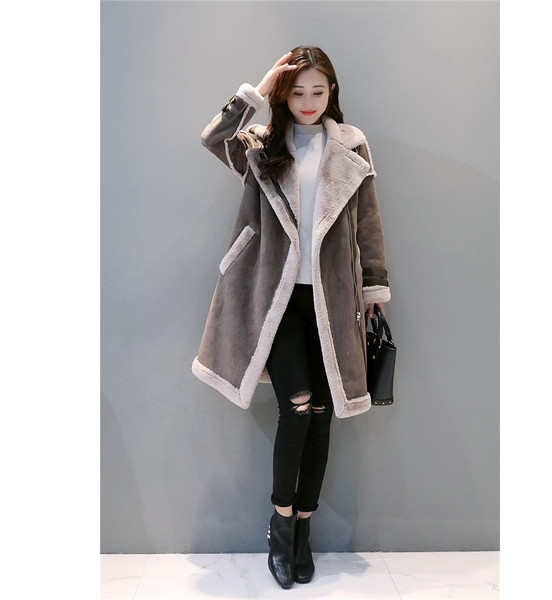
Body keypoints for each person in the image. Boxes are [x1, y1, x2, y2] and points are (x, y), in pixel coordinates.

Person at [191, 46, 391, 589]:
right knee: (297, 408)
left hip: (330, 300)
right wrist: (256, 92)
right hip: (274, 300)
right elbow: (213, 138)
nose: (308, 101)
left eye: (318, 91)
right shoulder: (262, 145)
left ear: (332, 92)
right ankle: (280, 527)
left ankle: (304, 527)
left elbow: (368, 223)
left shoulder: (351, 146)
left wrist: (374, 286)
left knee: (321, 413)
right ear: (284, 95)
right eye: (297, 91)